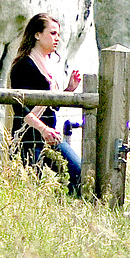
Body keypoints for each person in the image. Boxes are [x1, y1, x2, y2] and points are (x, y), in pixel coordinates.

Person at [10, 13, 82, 194]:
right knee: (30, 188)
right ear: (37, 35)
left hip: (50, 137)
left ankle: (68, 210)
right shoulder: (22, 65)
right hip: (29, 139)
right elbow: (20, 107)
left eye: (58, 34)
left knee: (78, 172)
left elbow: (51, 105)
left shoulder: (50, 66)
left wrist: (68, 90)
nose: (57, 38)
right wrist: (43, 129)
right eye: (52, 33)